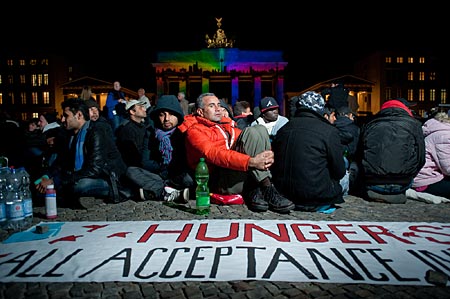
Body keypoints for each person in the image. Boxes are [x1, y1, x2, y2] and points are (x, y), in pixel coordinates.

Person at [178, 92, 294, 214]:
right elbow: (214, 153)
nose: (218, 109)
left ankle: (258, 188)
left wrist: (269, 153)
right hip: (218, 181)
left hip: (233, 173)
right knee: (251, 132)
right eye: (212, 106)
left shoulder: (224, 124)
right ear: (200, 112)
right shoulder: (194, 131)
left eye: (219, 105)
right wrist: (251, 162)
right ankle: (266, 188)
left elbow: (250, 140)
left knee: (259, 129)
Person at [271, 91, 347, 212]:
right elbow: (339, 172)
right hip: (316, 197)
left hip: (284, 195)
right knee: (346, 171)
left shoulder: (284, 129)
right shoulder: (329, 131)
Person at [53, 98, 130, 207]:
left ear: (79, 115)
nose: (62, 119)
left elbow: (95, 168)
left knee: (80, 185)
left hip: (107, 178)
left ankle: (101, 195)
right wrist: (48, 177)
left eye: (66, 116)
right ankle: (88, 198)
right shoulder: (69, 136)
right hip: (84, 175)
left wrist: (65, 180)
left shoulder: (96, 131)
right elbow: (61, 161)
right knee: (55, 183)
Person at [355, 98, 425, 203]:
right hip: (402, 182)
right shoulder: (414, 125)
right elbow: (421, 158)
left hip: (373, 182)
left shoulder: (369, 124)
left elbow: (359, 155)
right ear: (405, 109)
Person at [412, 111, 450, 197]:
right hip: (426, 180)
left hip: (418, 177)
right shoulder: (444, 136)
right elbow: (447, 168)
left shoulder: (435, 131)